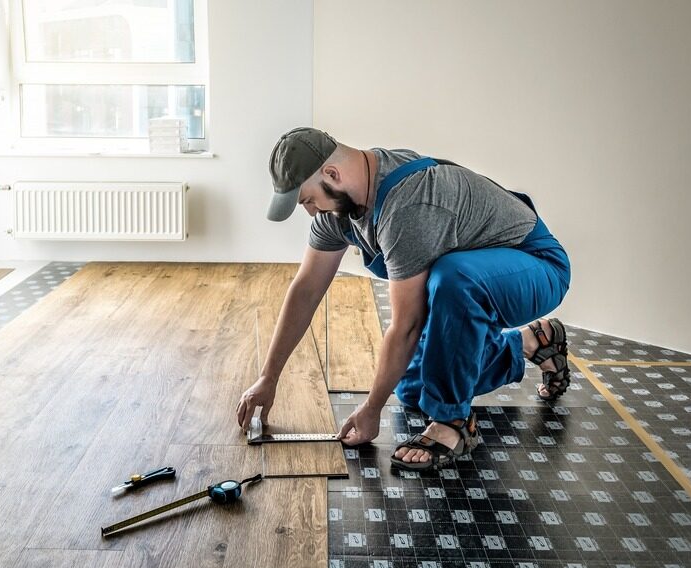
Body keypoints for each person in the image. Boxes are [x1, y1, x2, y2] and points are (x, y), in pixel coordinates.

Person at [235, 127, 571, 470]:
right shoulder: (341, 209)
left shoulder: (406, 206)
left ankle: (453, 424)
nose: (310, 212)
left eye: (308, 200)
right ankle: (532, 342)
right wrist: (269, 377)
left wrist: (371, 409)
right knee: (414, 391)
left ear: (332, 174)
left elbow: (407, 326)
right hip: (478, 274)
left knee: (454, 278)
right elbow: (305, 290)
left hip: (535, 267)